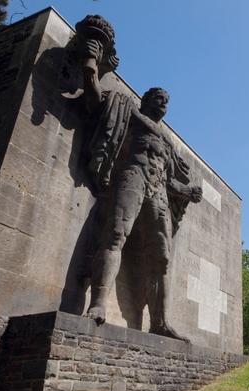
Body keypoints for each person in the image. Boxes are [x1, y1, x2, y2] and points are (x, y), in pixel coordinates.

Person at [79, 29, 203, 341]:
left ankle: (159, 322)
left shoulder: (167, 141)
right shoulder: (129, 111)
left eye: (167, 101)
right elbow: (94, 100)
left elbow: (168, 177)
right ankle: (97, 305)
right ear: (146, 100)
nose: (164, 103)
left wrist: (186, 191)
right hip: (131, 177)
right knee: (114, 236)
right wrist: (91, 64)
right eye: (159, 98)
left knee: (162, 258)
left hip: (158, 191)